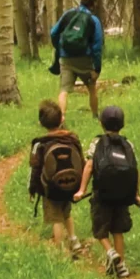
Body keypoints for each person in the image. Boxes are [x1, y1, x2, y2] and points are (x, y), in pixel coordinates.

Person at [78, 103, 140, 279]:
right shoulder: (128, 144)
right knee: (118, 230)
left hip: (102, 195)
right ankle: (121, 266)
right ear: (122, 124)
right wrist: (136, 195)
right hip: (123, 196)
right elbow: (135, 170)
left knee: (100, 229)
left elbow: (90, 165)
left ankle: (110, 252)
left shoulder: (97, 143)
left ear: (101, 123)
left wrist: (81, 189)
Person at [27, 98, 85, 256]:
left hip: (51, 189)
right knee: (66, 212)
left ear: (41, 123)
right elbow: (82, 161)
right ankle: (74, 240)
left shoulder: (40, 144)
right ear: (62, 119)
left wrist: (32, 189)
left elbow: (35, 169)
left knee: (56, 219)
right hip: (71, 185)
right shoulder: (72, 139)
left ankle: (61, 250)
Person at [49, 0, 104, 122]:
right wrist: (97, 68)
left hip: (65, 58)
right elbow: (97, 46)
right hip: (84, 60)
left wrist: (59, 47)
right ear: (94, 3)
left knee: (63, 90)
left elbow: (53, 32)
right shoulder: (93, 20)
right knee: (92, 88)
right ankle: (95, 116)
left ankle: (61, 118)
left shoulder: (68, 14)